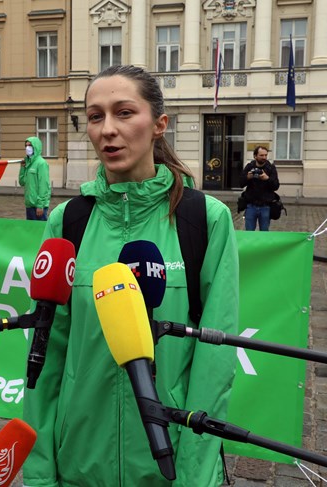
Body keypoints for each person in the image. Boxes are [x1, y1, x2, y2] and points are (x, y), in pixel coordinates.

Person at [22, 65, 239, 486]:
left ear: (159, 125)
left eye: (124, 113)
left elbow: (215, 367)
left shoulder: (204, 219)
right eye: (95, 116)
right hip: (79, 464)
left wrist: (194, 477)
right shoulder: (67, 222)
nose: (107, 130)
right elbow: (45, 357)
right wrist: (39, 473)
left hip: (167, 467)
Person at [240, 146, 280, 231]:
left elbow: (276, 186)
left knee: (264, 232)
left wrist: (267, 179)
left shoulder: (270, 168)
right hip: (251, 205)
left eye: (266, 155)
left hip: (265, 206)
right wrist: (247, 178)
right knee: (249, 232)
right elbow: (241, 184)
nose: (264, 157)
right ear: (255, 156)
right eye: (261, 155)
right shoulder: (249, 167)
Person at [19, 137, 51, 221]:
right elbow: (22, 182)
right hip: (29, 205)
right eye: (26, 146)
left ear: (36, 147)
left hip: (39, 206)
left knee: (40, 231)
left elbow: (44, 185)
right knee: (31, 232)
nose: (27, 148)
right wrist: (22, 168)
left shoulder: (41, 163)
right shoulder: (28, 163)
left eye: (30, 145)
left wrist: (40, 205)